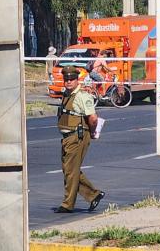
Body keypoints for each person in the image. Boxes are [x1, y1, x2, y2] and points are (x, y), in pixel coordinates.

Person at [54, 65, 104, 214]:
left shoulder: (82, 96)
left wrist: (93, 132)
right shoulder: (67, 94)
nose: (68, 81)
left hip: (77, 136)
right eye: (66, 79)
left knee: (71, 171)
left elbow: (93, 118)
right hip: (67, 137)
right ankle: (93, 195)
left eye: (72, 79)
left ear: (77, 80)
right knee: (70, 169)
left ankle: (67, 204)